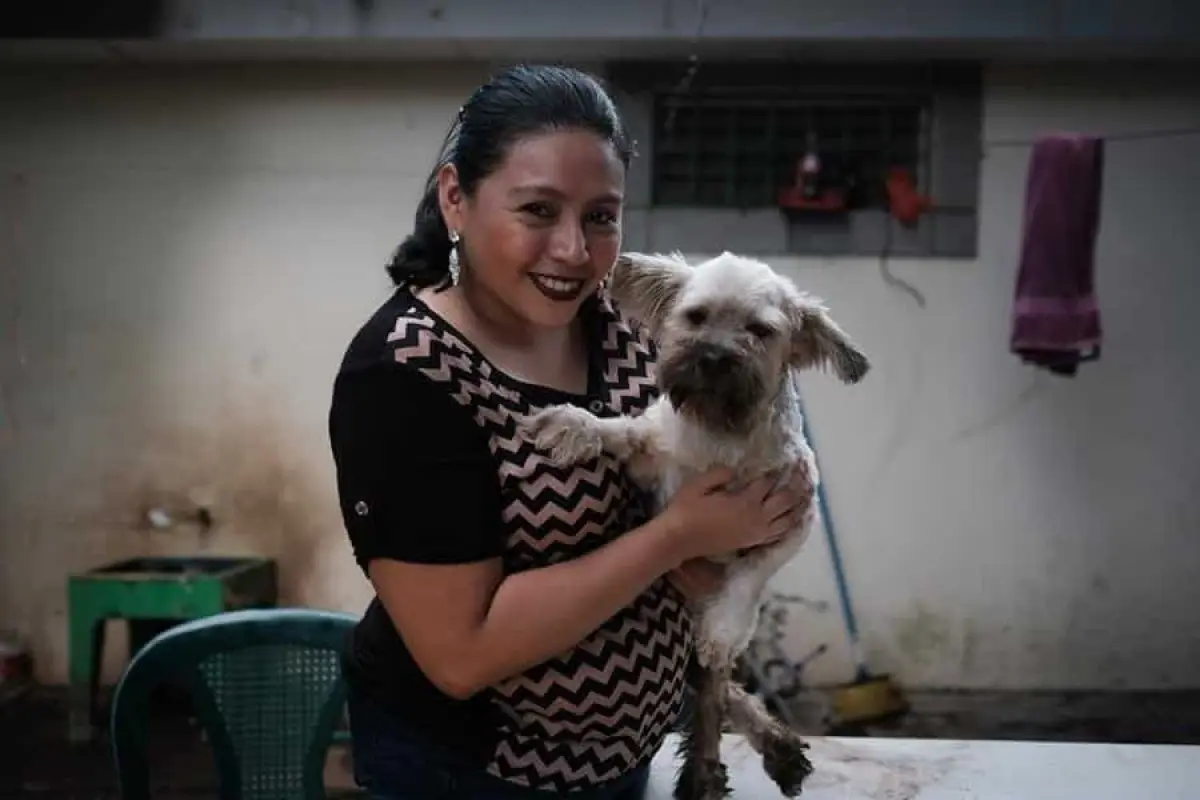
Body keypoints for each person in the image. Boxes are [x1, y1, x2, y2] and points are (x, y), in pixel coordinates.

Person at [327, 64, 814, 800]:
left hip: (623, 761)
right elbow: (461, 653)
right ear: (455, 198)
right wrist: (676, 537)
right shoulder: (403, 374)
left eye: (600, 216)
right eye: (537, 211)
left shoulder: (629, 322)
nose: (575, 251)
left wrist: (742, 542)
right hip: (470, 772)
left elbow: (722, 486)